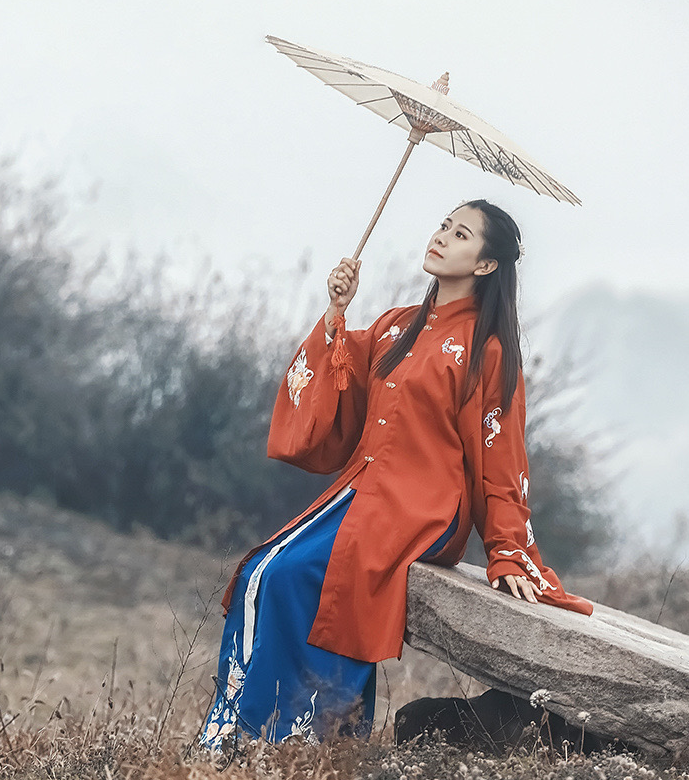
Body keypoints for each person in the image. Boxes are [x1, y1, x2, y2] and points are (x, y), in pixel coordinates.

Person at [198, 199, 594, 749]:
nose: (441, 237)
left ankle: (307, 739)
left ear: (485, 265)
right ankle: (241, 736)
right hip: (362, 491)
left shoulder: (488, 351)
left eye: (460, 234)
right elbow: (341, 391)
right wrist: (338, 312)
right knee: (261, 572)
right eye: (442, 226)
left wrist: (506, 549)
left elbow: (501, 460)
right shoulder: (397, 326)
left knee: (294, 575)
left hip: (422, 507)